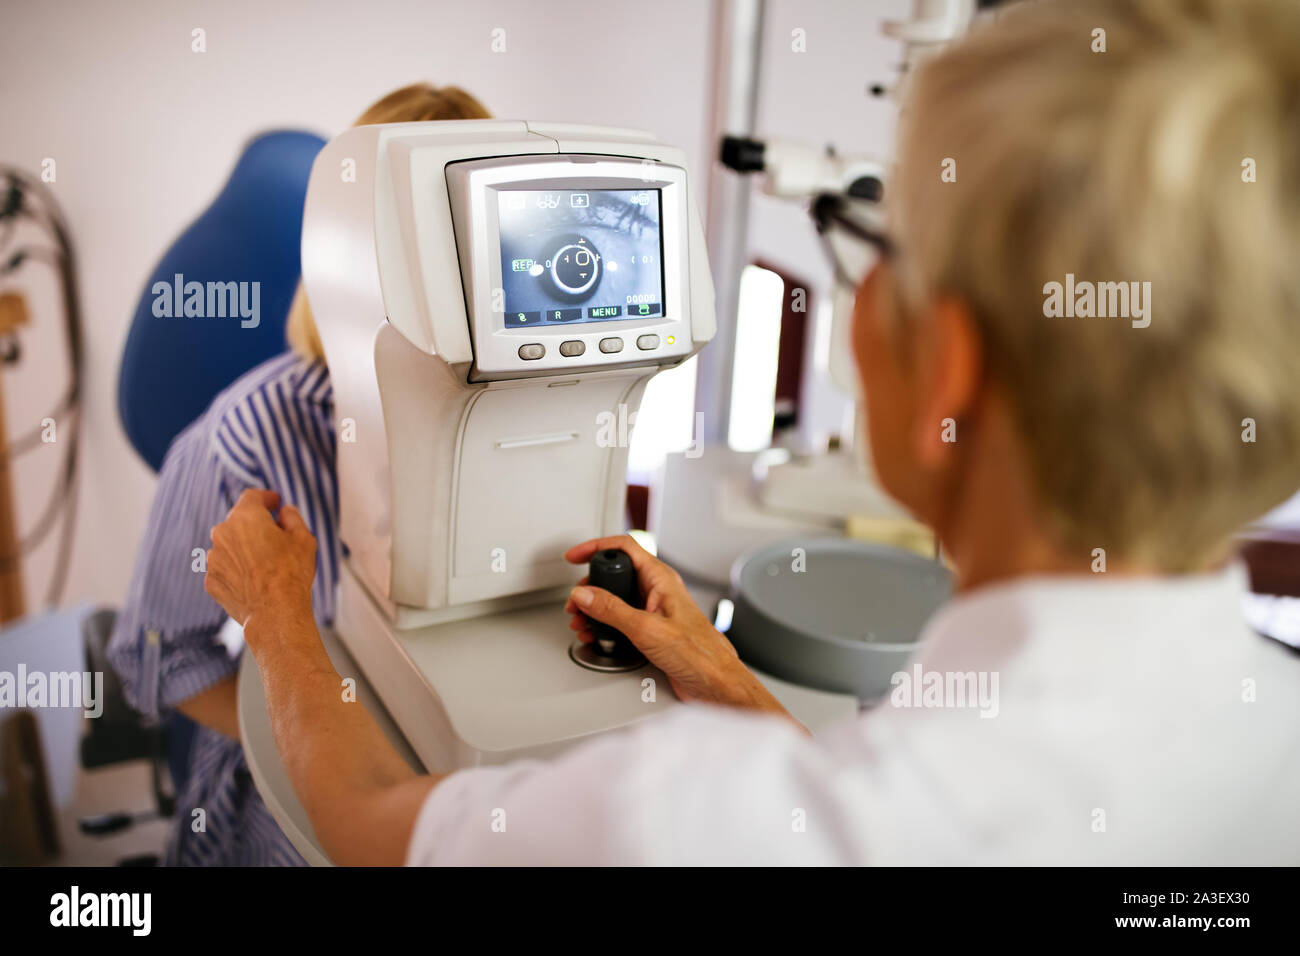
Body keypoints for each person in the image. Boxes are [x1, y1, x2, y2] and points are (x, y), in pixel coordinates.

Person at [203, 0, 1300, 865]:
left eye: (886, 245)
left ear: (946, 366)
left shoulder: (676, 820)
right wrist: (724, 672)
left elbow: (368, 822)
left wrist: (280, 618)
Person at [108, 83, 493, 865]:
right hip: (300, 765)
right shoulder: (243, 436)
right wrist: (305, 738)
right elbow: (155, 652)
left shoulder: (522, 414)